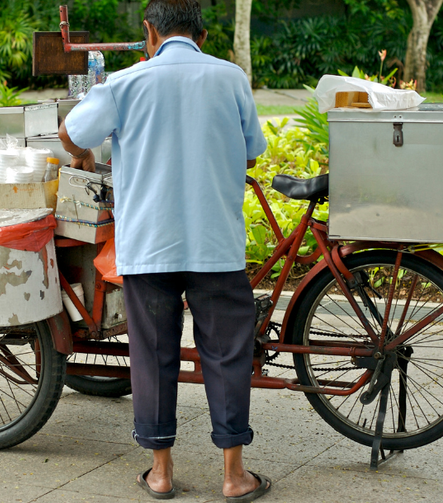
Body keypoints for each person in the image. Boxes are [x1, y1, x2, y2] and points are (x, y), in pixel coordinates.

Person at [58, 0, 270, 500]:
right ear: (201, 35)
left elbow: (71, 132)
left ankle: (161, 473)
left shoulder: (129, 83)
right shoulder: (230, 77)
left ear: (150, 32)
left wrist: (84, 152)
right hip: (216, 244)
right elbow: (253, 149)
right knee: (227, 355)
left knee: (152, 356)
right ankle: (234, 476)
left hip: (150, 245)